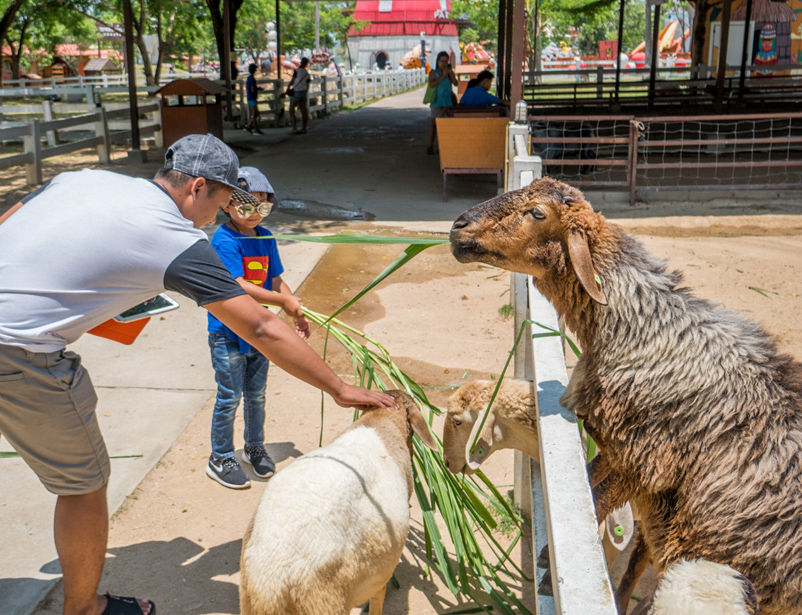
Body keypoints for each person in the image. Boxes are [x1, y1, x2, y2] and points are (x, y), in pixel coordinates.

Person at [0, 133, 394, 615]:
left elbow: (12, 222)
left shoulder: (81, 179)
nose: (215, 218)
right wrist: (339, 387)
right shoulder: (175, 236)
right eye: (223, 202)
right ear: (198, 188)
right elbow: (262, 326)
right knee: (83, 484)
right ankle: (85, 607)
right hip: (17, 351)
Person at [206, 166, 306, 489]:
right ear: (226, 205)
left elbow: (276, 280)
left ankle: (254, 446)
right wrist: (281, 303)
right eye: (245, 206)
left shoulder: (266, 238)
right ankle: (220, 456)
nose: (254, 215)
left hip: (257, 333)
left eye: (261, 207)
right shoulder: (224, 239)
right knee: (229, 396)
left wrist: (295, 310)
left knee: (256, 394)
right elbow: (240, 285)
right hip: (228, 333)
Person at [427, 51, 457, 155]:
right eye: (442, 61)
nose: (443, 64)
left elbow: (456, 83)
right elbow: (431, 84)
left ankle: (443, 146)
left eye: (445, 61)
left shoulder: (448, 72)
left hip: (447, 103)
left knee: (446, 126)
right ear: (437, 61)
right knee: (434, 125)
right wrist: (443, 76)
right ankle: (430, 145)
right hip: (436, 102)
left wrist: (451, 73)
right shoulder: (433, 73)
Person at [285, 57, 310, 135]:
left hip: (296, 92)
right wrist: (305, 92)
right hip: (303, 93)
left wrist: (288, 89)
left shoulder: (297, 71)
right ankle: (304, 128)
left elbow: (292, 81)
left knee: (291, 110)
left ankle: (294, 128)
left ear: (300, 62)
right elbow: (307, 85)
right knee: (303, 111)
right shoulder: (307, 73)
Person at [245, 63, 264, 135]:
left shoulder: (249, 78)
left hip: (250, 97)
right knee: (254, 113)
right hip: (252, 97)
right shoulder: (252, 79)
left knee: (256, 113)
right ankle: (255, 129)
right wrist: (258, 89)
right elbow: (253, 89)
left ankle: (249, 126)